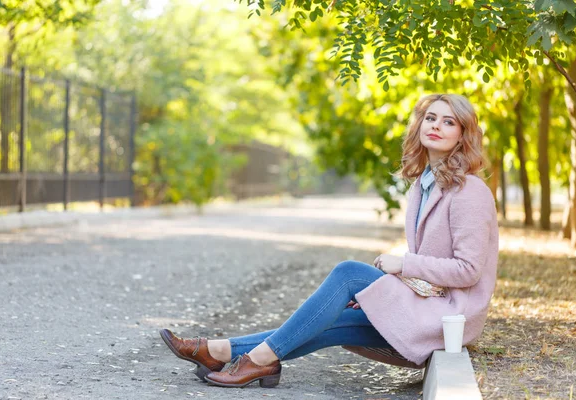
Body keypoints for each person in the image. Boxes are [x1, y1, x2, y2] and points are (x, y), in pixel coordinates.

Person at [159, 93, 499, 388]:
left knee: (350, 273)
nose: (435, 126)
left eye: (448, 122)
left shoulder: (469, 191)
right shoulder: (424, 184)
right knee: (327, 320)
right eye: (430, 118)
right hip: (423, 306)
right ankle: (224, 352)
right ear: (419, 125)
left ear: (463, 134)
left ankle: (253, 358)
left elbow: (468, 270)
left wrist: (402, 264)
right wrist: (387, 286)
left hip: (447, 319)